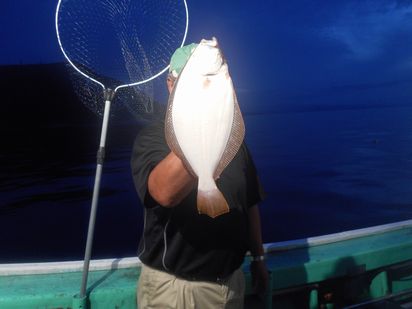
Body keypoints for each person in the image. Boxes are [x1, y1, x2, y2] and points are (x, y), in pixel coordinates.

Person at [131, 42, 269, 309]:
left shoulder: (233, 140)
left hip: (231, 284)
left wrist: (259, 260)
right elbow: (163, 193)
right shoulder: (152, 138)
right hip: (176, 291)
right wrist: (198, 135)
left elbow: (250, 204)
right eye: (185, 80)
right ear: (172, 85)